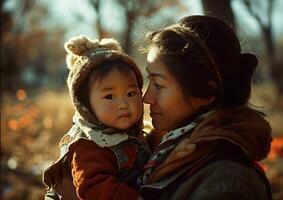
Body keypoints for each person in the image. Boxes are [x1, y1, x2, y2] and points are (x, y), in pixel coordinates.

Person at [139, 15, 273, 200]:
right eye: (149, 81)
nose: (146, 98)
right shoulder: (155, 151)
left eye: (158, 85)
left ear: (206, 93)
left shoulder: (227, 180)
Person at [42, 36, 151, 200]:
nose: (123, 104)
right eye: (109, 97)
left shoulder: (134, 134)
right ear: (85, 105)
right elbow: (95, 188)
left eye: (131, 93)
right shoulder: (88, 146)